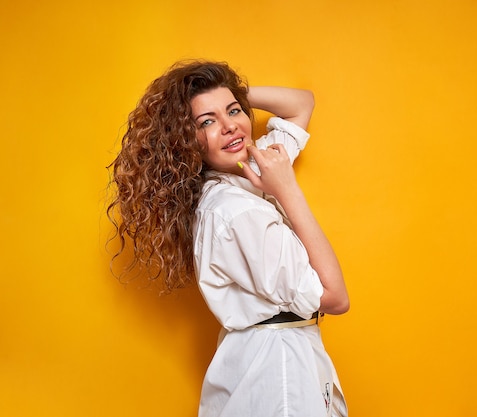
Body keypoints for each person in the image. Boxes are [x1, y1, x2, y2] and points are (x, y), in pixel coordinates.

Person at [108, 60, 350, 417]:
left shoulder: (247, 173)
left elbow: (302, 103)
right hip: (279, 370)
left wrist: (222, 100)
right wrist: (288, 190)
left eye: (234, 112)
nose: (230, 127)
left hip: (266, 359)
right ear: (184, 139)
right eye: (206, 122)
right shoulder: (237, 212)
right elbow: (335, 297)